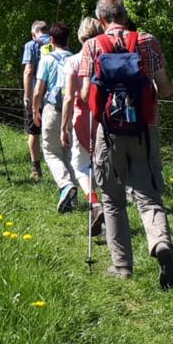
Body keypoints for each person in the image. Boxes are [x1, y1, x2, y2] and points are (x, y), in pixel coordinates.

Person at [71, 0, 173, 288]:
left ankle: (122, 266)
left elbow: (86, 95)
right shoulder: (148, 41)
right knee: (148, 196)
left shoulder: (93, 45)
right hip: (144, 130)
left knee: (112, 200)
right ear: (125, 15)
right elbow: (162, 88)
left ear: (101, 19)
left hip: (109, 133)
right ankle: (161, 244)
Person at [60, 17, 104, 235]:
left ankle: (94, 203)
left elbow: (68, 97)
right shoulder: (107, 58)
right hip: (105, 116)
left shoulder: (74, 61)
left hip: (81, 117)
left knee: (80, 165)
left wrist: (63, 127)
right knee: (104, 163)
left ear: (80, 36)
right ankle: (112, 213)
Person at [31, 22, 79, 212]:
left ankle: (66, 185)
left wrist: (35, 110)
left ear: (51, 40)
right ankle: (73, 198)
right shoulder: (75, 59)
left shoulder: (47, 59)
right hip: (73, 110)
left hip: (53, 109)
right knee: (69, 151)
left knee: (51, 152)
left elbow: (38, 90)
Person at [20, 20, 47, 181]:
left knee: (34, 132)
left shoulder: (31, 45)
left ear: (33, 33)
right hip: (57, 96)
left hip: (38, 96)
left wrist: (27, 97)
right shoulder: (58, 41)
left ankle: (36, 168)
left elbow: (29, 71)